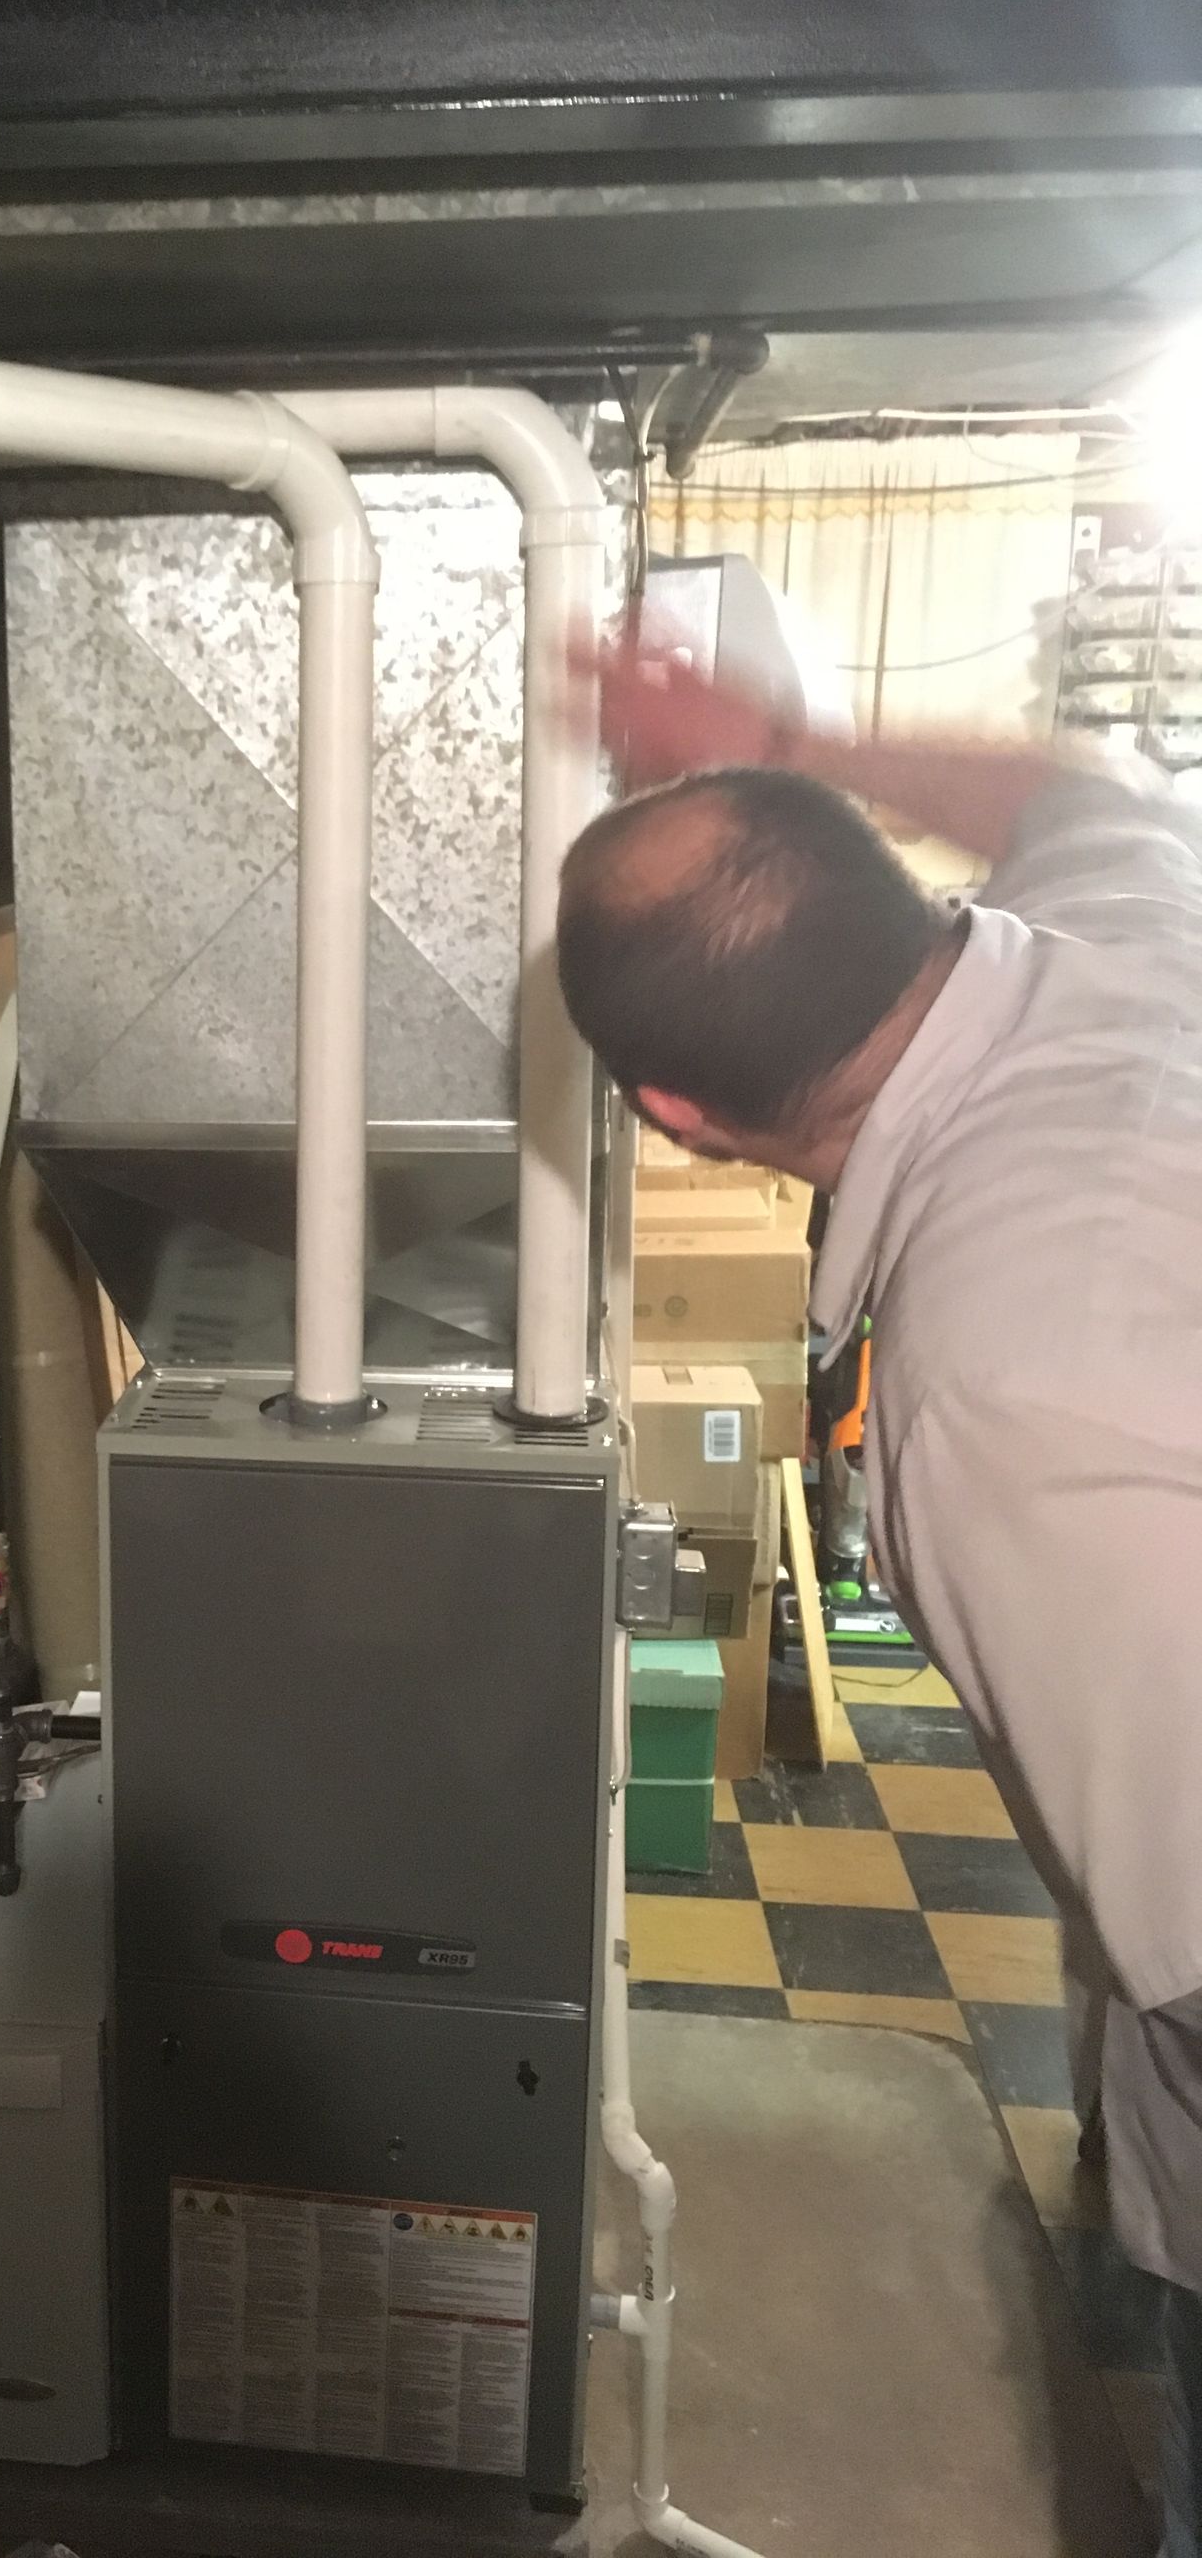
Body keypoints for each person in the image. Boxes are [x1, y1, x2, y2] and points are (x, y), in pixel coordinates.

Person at [557, 644, 1202, 2556]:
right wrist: (786, 745)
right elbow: (1070, 791)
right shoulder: (1132, 946)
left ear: (675, 1114)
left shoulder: (1008, 1397)